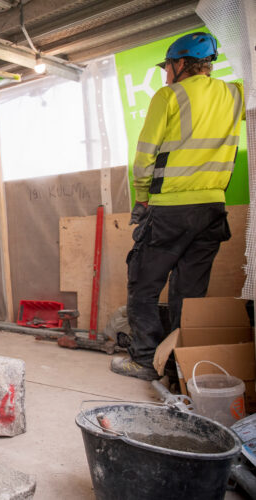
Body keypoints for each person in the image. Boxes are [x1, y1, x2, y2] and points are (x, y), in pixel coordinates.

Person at [111, 32, 246, 380]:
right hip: (213, 210)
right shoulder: (235, 94)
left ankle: (144, 361)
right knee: (189, 294)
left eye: (168, 66)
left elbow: (144, 156)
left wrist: (142, 195)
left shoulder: (168, 97)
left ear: (182, 63)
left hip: (171, 209)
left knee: (143, 285)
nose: (165, 74)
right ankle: (178, 364)